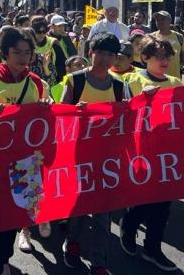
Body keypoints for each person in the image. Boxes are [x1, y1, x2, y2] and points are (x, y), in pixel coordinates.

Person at [0, 27, 51, 272]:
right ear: (4, 53)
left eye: (27, 53)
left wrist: (47, 107)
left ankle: (3, 259)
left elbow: (48, 123)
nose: (22, 57)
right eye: (16, 52)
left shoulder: (38, 84)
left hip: (26, 164)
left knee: (19, 212)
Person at [59, 33, 126, 275]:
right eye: (102, 52)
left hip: (106, 159)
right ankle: (72, 243)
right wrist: (74, 112)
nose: (106, 58)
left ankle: (99, 261)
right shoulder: (75, 81)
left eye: (111, 54)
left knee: (102, 212)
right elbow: (61, 116)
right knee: (77, 206)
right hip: (76, 156)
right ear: (91, 53)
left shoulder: (119, 86)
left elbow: (125, 118)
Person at [120, 37, 182, 271]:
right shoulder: (131, 79)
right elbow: (123, 113)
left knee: (163, 205)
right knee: (142, 201)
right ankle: (129, 227)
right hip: (140, 152)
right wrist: (141, 99)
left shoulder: (175, 82)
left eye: (167, 56)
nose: (164, 61)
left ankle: (152, 248)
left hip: (167, 153)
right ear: (145, 58)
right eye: (159, 56)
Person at [149, 11, 184, 84]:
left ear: (169, 21)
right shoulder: (151, 37)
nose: (159, 21)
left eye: (162, 19)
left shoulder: (179, 37)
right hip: (155, 81)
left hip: (175, 80)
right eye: (157, 20)